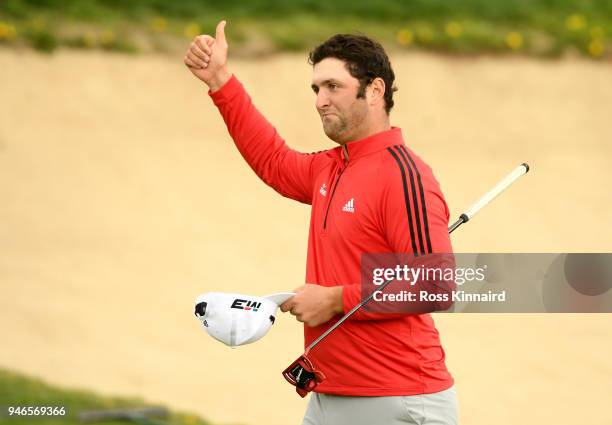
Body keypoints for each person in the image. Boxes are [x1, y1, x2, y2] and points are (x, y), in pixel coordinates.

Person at [184, 21, 459, 425]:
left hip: (397, 397)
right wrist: (220, 81)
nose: (320, 100)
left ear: (376, 90)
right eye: (316, 89)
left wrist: (332, 300)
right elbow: (274, 162)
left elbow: (436, 284)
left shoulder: (404, 175)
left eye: (333, 86)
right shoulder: (331, 168)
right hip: (330, 395)